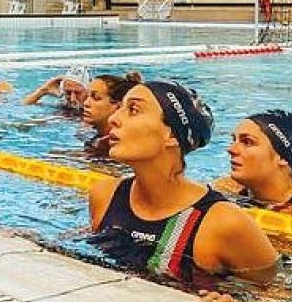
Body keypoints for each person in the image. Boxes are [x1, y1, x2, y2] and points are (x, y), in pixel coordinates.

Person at [88, 81, 277, 287]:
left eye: (133, 109)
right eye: (119, 109)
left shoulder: (222, 222)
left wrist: (238, 300)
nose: (114, 118)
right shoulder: (104, 195)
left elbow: (280, 292)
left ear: (171, 135)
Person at [212, 111, 292, 217]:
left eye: (247, 142)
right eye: (234, 140)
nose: (231, 149)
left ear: (283, 157)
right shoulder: (226, 188)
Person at [79, 72, 142, 156]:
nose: (86, 103)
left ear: (119, 106)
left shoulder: (129, 144)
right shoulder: (97, 142)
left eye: (96, 98)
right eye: (86, 97)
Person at [22, 65, 91, 111]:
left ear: (87, 91)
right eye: (68, 93)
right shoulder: (63, 105)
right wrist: (43, 90)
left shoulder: (94, 109)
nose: (72, 99)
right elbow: (24, 105)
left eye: (77, 93)